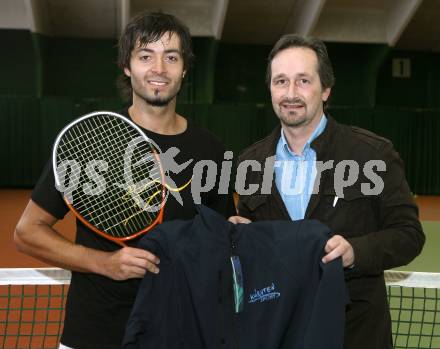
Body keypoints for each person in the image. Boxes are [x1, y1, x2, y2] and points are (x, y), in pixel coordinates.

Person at [14, 11, 233, 349]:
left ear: (184, 69)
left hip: (176, 332)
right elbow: (28, 232)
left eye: (171, 57)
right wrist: (105, 263)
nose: (159, 68)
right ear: (127, 67)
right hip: (93, 334)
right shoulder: (90, 141)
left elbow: (219, 237)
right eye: (146, 56)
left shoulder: (210, 151)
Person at [229, 34, 425, 349]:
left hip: (355, 332)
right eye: (281, 81)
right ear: (270, 90)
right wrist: (240, 235)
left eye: (303, 80)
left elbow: (409, 235)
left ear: (326, 90)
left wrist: (355, 252)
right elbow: (255, 246)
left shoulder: (371, 154)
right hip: (281, 329)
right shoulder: (250, 163)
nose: (290, 93)